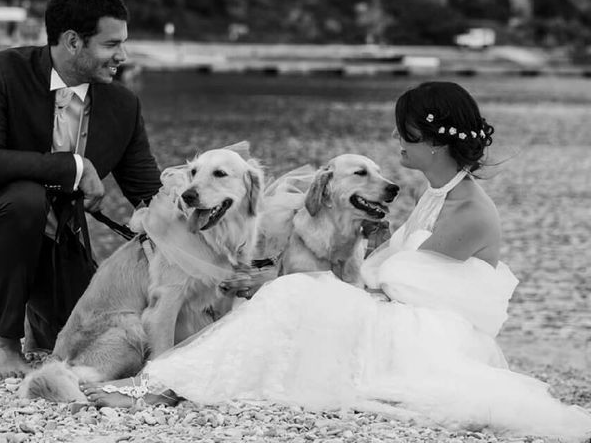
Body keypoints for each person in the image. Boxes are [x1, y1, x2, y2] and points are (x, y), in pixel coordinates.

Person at [82, 82, 591, 439]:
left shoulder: (470, 209)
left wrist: (335, 273)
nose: (397, 142)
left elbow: (406, 286)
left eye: (403, 133)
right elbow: (399, 268)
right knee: (290, 293)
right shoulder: (440, 193)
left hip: (427, 328)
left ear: (434, 141)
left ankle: (172, 382)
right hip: (400, 305)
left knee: (295, 293)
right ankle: (175, 378)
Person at [0, 0, 161, 379]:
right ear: (72, 42)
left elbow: (148, 192)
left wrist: (209, 218)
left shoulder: (123, 104)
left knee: (85, 333)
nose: (124, 54)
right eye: (112, 44)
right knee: (26, 198)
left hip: (60, 241)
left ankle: (39, 319)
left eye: (124, 42)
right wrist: (76, 167)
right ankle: (4, 344)